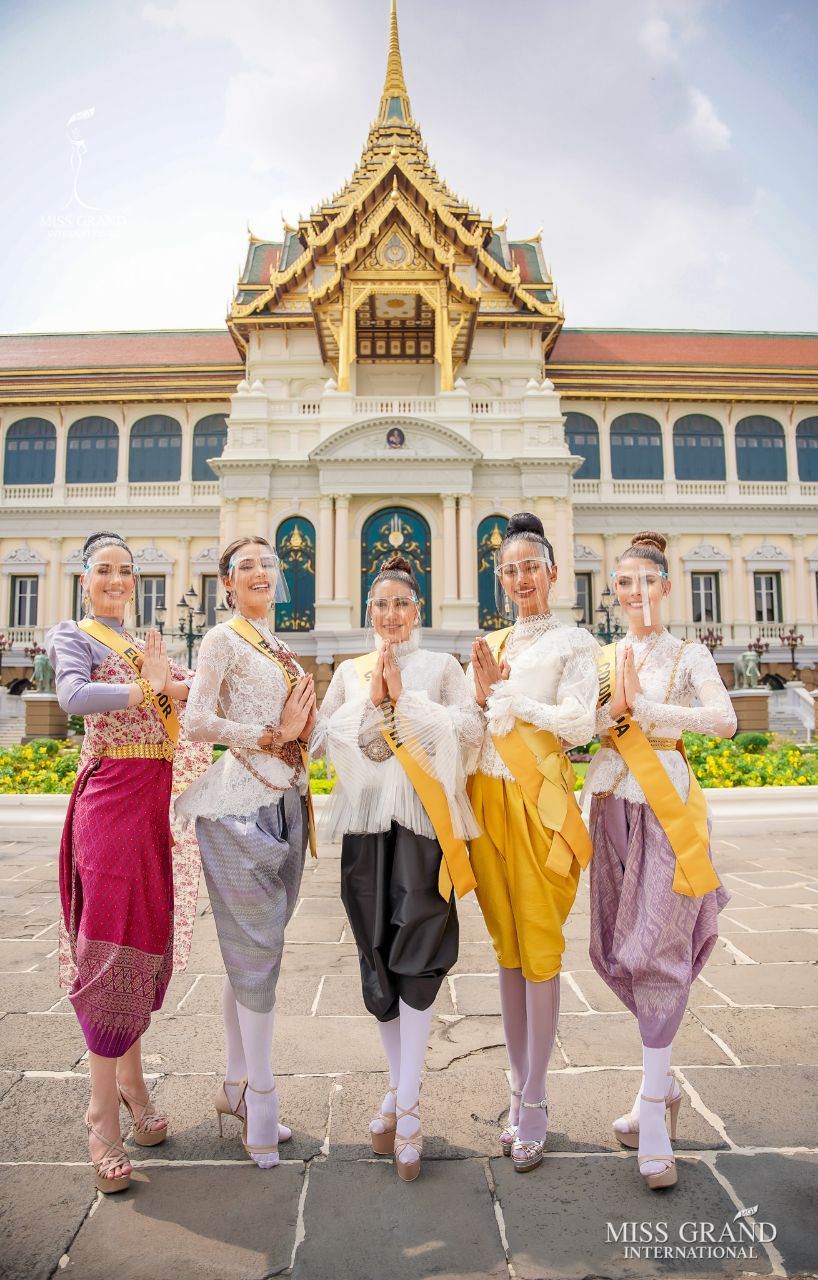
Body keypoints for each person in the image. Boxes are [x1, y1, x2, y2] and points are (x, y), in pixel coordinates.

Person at [312, 553, 482, 1181]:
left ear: (420, 610)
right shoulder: (351, 671)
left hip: (421, 825)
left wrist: (405, 704)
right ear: (368, 612)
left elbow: (470, 733)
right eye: (379, 605)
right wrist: (369, 709)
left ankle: (409, 1107)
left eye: (400, 604)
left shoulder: (441, 667)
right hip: (363, 825)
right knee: (376, 952)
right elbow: (323, 736)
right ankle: (397, 1086)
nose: (389, 615)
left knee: (420, 948)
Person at [47, 531, 205, 1194]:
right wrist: (149, 691)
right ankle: (100, 1116)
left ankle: (136, 1090)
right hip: (109, 804)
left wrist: (187, 687)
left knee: (141, 948)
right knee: (105, 954)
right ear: (85, 578)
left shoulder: (146, 645)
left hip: (150, 811)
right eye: (105, 570)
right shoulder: (73, 636)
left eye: (125, 571)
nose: (116, 580)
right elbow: (73, 698)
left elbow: (171, 699)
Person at [583, 530, 735, 1190]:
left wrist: (646, 707)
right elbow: (583, 728)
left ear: (666, 587)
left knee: (658, 953)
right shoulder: (602, 658)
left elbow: (724, 719)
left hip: (666, 810)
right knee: (618, 951)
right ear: (615, 593)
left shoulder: (687, 653)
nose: (635, 592)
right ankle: (662, 1083)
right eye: (623, 583)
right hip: (610, 808)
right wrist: (603, 714)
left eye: (646, 581)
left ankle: (650, 1111)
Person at [176, 535, 317, 1170]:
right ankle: (261, 1098)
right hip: (238, 807)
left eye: (269, 565)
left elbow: (295, 727)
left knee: (254, 950)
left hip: (287, 802)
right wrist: (267, 734)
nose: (261, 573)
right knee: (258, 954)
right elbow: (197, 719)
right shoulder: (221, 640)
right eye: (247, 567)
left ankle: (234, 1081)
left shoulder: (277, 645)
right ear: (227, 583)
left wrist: (301, 734)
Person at [468, 512, 599, 1173]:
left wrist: (512, 700)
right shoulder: (493, 643)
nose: (520, 579)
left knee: (540, 944)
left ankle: (538, 1100)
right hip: (491, 800)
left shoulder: (575, 643)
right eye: (508, 570)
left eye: (530, 567)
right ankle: (517, 1088)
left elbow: (579, 724)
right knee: (508, 947)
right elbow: (478, 727)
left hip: (540, 803)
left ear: (552, 571)